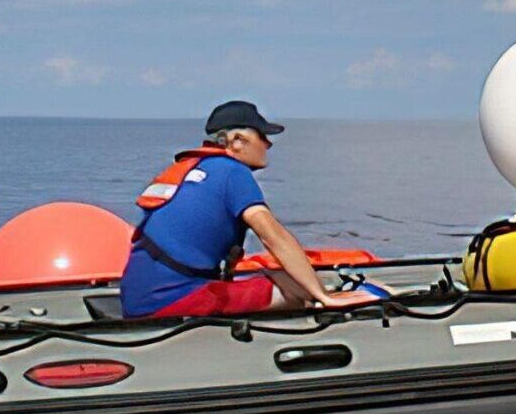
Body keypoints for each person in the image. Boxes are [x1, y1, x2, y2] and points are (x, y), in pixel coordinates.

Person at [119, 101, 356, 318]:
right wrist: (323, 297)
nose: (268, 144)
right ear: (238, 141)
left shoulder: (192, 169)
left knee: (285, 278)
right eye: (262, 136)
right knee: (294, 291)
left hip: (136, 297)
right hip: (171, 300)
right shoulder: (233, 171)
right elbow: (272, 235)